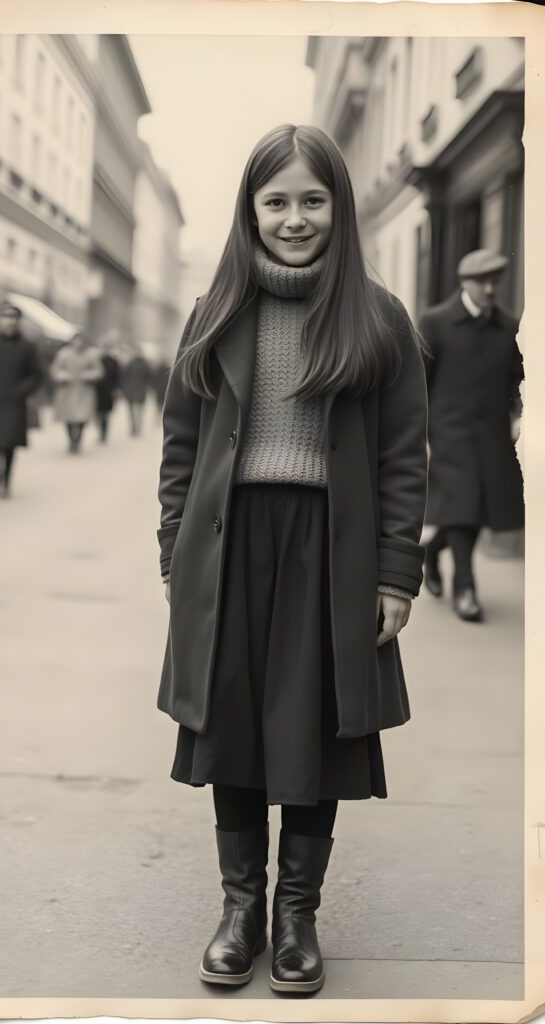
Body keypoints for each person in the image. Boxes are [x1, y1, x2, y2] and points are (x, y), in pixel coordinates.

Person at [156, 124, 428, 995]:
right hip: (229, 545)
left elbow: (401, 457)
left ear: (337, 208)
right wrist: (174, 551)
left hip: (331, 551)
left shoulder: (377, 320)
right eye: (275, 201)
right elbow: (179, 444)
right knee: (228, 726)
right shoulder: (215, 313)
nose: (294, 217)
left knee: (319, 728)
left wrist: (394, 572)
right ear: (249, 210)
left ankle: (295, 914)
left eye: (312, 199)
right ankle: (239, 908)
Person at [418, 249, 524, 623]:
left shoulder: (511, 328)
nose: (491, 288)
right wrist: (420, 436)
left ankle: (432, 553)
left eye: (496, 280)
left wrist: (518, 416)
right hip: (448, 433)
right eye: (483, 281)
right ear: (464, 282)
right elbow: (417, 384)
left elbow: (518, 381)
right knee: (464, 505)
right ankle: (465, 587)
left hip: (493, 435)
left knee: (477, 511)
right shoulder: (435, 323)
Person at [0, 299, 43, 498]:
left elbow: (37, 374)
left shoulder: (28, 347)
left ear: (18, 321)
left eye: (13, 318)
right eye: (5, 317)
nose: (9, 322)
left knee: (9, 444)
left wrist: (22, 390)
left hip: (14, 403)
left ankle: (6, 481)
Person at [50, 332, 104, 453]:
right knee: (68, 417)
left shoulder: (90, 355)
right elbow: (55, 369)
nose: (78, 344)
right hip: (67, 390)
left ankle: (78, 439)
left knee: (82, 417)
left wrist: (88, 375)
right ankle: (71, 440)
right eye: (76, 340)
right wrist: (61, 375)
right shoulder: (63, 354)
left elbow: (99, 371)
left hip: (84, 391)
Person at [120, 341, 151, 436]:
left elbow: (149, 376)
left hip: (140, 389)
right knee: (131, 411)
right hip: (130, 390)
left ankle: (138, 427)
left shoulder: (144, 363)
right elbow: (123, 376)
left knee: (139, 410)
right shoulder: (129, 363)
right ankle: (134, 427)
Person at [95, 331, 121, 443]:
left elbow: (117, 377)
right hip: (97, 390)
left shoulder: (114, 361)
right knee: (97, 413)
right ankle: (100, 431)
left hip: (108, 390)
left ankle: (104, 433)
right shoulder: (96, 360)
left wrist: (116, 389)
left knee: (105, 414)